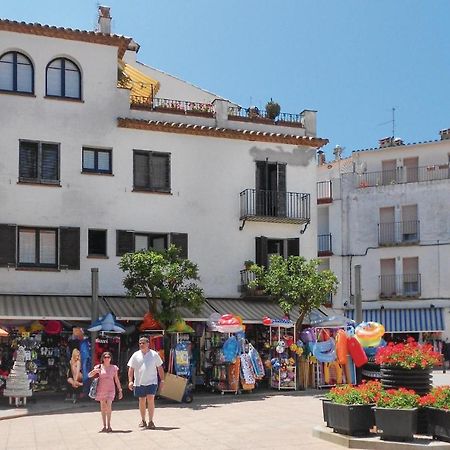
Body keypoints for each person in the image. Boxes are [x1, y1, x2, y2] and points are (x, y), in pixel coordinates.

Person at [127, 336, 165, 429]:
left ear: (148, 344)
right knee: (142, 400)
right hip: (139, 382)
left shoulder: (154, 354)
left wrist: (162, 380)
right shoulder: (135, 355)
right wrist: (130, 381)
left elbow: (160, 367)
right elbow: (131, 369)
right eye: (140, 343)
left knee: (150, 399)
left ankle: (151, 421)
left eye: (143, 343)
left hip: (152, 381)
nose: (141, 345)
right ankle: (143, 420)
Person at [88, 352, 123, 433]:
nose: (107, 359)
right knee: (103, 407)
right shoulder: (99, 367)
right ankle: (104, 425)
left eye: (108, 357)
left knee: (109, 406)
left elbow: (116, 379)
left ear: (111, 358)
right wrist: (94, 371)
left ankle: (109, 425)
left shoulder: (114, 368)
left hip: (111, 389)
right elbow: (89, 375)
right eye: (105, 357)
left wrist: (120, 390)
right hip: (101, 389)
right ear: (102, 358)